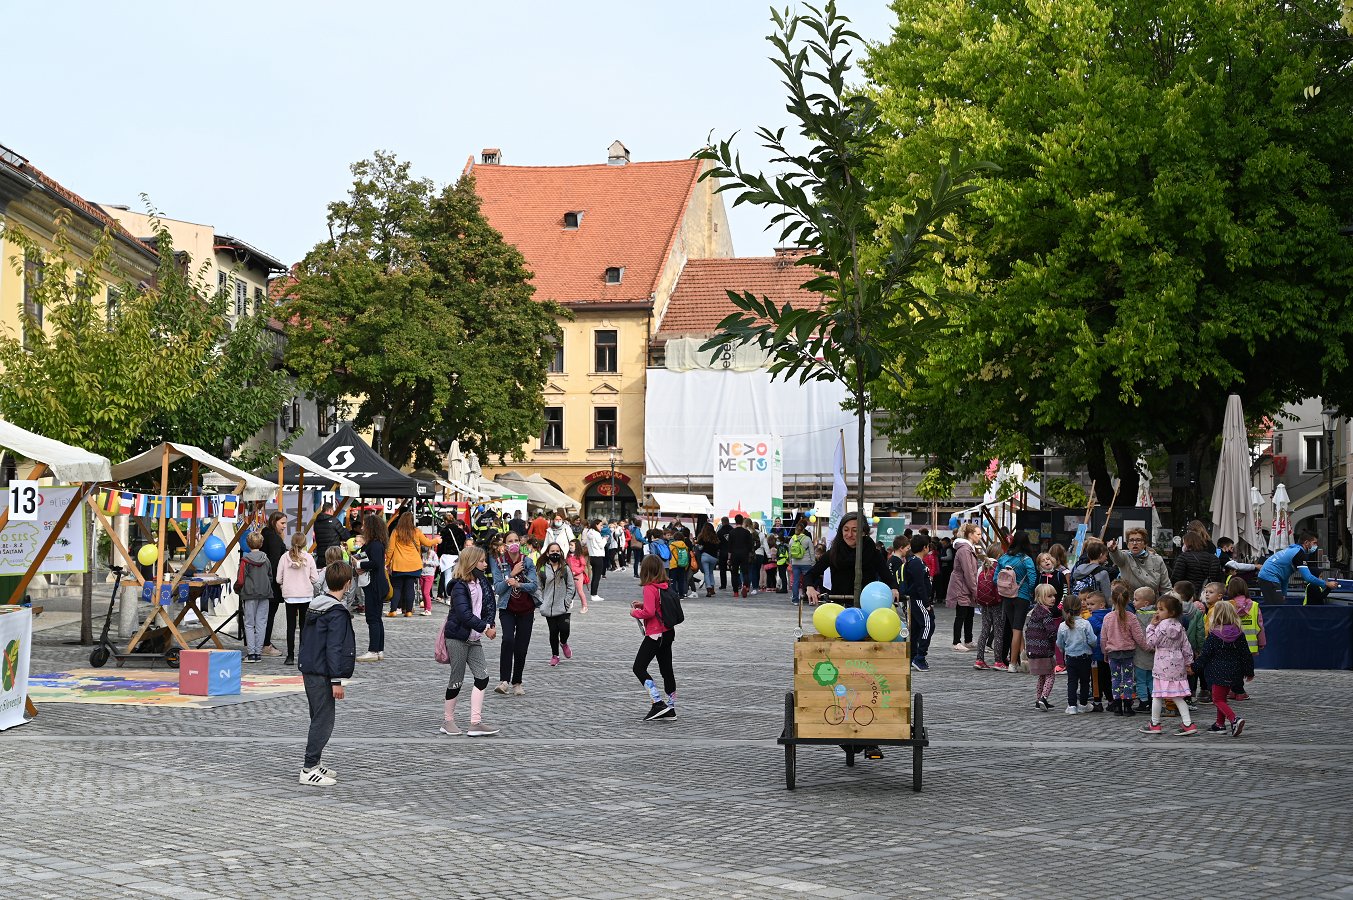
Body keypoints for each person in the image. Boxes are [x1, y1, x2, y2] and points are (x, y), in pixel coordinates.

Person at [297, 561, 357, 786]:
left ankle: (315, 762)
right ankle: (308, 767)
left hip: (310, 667)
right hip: (322, 672)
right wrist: (336, 681)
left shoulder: (315, 605)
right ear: (348, 583)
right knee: (323, 721)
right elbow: (334, 647)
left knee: (318, 717)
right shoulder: (337, 612)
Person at [440, 546, 500, 737]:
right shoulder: (459, 586)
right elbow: (464, 615)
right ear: (471, 563)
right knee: (456, 680)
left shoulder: (480, 583)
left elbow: (486, 606)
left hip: (474, 638)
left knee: (482, 677)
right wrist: (485, 628)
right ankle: (447, 721)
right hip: (457, 637)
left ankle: (475, 722)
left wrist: (489, 622)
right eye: (481, 561)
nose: (484, 564)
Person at [803, 517, 900, 607]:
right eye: (846, 530)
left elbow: (888, 577)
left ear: (863, 532)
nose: (849, 535)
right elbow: (810, 574)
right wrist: (810, 587)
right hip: (839, 608)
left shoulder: (873, 553)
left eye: (855, 530)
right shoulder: (834, 552)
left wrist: (893, 588)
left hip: (866, 607)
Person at [1190, 599, 1253, 736]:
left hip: (1218, 672)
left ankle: (1234, 719)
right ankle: (1219, 724)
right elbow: (1246, 654)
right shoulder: (1239, 634)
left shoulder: (1214, 636)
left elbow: (1205, 656)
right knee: (1221, 698)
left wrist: (1193, 668)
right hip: (1235, 672)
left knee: (1217, 699)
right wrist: (1249, 671)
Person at [490, 531, 540, 696]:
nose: (513, 543)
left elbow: (533, 585)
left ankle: (517, 682)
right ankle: (504, 681)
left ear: (521, 543)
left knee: (521, 648)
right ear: (505, 545)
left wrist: (518, 584)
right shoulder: (498, 562)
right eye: (510, 541)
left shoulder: (528, 562)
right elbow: (497, 588)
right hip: (507, 608)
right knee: (508, 640)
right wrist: (510, 575)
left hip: (526, 609)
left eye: (516, 540)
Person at [1141, 593, 1197, 735]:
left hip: (1162, 665)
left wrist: (1150, 627)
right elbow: (1187, 647)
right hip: (1177, 664)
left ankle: (1154, 723)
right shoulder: (1179, 626)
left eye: (1160, 609)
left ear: (1171, 612)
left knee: (1157, 695)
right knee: (1177, 696)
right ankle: (1188, 723)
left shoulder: (1161, 626)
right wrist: (1189, 663)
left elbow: (1152, 642)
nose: (1157, 612)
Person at [632, 555, 677, 721]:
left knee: (638, 667)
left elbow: (649, 613)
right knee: (666, 669)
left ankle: (657, 702)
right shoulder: (664, 585)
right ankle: (671, 707)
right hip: (668, 632)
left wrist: (635, 612)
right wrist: (643, 605)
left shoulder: (649, 587)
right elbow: (658, 606)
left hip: (655, 635)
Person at [1101, 586, 1148, 717]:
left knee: (1115, 679)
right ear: (1128, 600)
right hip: (1128, 652)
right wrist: (1148, 648)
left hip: (1113, 653)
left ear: (1112, 600)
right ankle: (1128, 705)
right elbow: (1138, 637)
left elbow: (1103, 638)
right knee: (1128, 679)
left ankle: (1117, 706)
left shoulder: (1108, 617)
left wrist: (1104, 652)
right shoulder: (1132, 617)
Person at [994, 531, 1038, 672]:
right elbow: (1032, 579)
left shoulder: (1004, 558)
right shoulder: (1026, 560)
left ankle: (1023, 658)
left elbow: (996, 579)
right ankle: (1013, 663)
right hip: (1022, 596)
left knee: (1014, 627)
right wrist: (1029, 591)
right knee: (1017, 629)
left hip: (1006, 596)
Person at [1256, 530, 1337, 605]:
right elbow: (1308, 578)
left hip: (1266, 577)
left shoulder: (1293, 549)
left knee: (1278, 606)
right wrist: (1327, 583)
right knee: (1278, 608)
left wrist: (1284, 594)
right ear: (1306, 542)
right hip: (1269, 577)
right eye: (1314, 543)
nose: (1316, 546)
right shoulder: (1299, 553)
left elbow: (1285, 577)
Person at [277, 532, 320, 666]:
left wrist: (285, 583)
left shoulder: (284, 557)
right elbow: (315, 579)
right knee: (304, 627)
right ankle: (303, 654)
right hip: (305, 595)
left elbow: (278, 578)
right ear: (304, 544)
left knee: (290, 626)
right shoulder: (308, 558)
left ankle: (290, 656)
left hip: (290, 595)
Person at [386, 511, 438, 618]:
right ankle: (409, 611)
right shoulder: (417, 531)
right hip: (414, 565)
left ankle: (393, 610)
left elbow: (390, 549)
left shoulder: (396, 532)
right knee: (410, 588)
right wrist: (436, 540)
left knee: (397, 588)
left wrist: (386, 563)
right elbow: (427, 543)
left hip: (399, 565)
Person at [1055, 594, 1097, 714]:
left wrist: (1064, 650)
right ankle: (1083, 704)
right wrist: (1092, 646)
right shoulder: (1085, 624)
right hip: (1085, 656)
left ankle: (1072, 705)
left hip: (1070, 657)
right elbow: (1093, 640)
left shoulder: (1062, 626)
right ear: (1080, 608)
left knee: (1072, 682)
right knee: (1085, 681)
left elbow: (1059, 643)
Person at [537, 541, 575, 666]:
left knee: (564, 629)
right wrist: (541, 602)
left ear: (560, 553)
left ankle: (563, 642)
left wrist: (567, 601)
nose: (555, 553)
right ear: (547, 553)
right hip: (548, 607)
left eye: (557, 551)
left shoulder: (565, 568)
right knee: (553, 631)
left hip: (563, 606)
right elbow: (538, 588)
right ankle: (555, 655)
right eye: (552, 551)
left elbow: (571, 586)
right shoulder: (542, 570)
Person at [238, 531, 273, 663]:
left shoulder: (245, 561)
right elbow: (270, 576)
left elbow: (241, 580)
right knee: (261, 623)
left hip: (249, 593)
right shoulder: (266, 559)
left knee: (249, 623)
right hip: (264, 593)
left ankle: (251, 653)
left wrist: (238, 589)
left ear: (247, 544)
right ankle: (258, 653)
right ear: (262, 543)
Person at [1025, 584, 1062, 710]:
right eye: (1049, 596)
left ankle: (1038, 700)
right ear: (1041, 597)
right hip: (1044, 650)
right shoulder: (1046, 614)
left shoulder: (1035, 612)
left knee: (1042, 675)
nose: (1053, 599)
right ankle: (1043, 698)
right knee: (1051, 674)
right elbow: (1051, 632)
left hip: (1033, 649)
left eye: (1054, 596)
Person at [900, 534, 934, 671]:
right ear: (925, 547)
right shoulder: (916, 563)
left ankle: (913, 656)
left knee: (915, 629)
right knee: (928, 625)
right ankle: (920, 657)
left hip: (916, 600)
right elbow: (919, 585)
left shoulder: (916, 561)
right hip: (918, 600)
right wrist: (926, 603)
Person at [1227, 577, 1263, 698]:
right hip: (1250, 644)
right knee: (1242, 667)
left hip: (1232, 643)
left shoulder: (1227, 606)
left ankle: (1236, 690)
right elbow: (1260, 625)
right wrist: (1261, 642)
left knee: (1233, 666)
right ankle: (1239, 690)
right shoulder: (1255, 605)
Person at [1107, 528, 1172, 595]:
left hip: (1152, 602)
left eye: (1138, 540)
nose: (1135, 543)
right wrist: (1113, 551)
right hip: (1130, 602)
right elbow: (1117, 557)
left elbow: (1166, 586)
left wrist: (1167, 602)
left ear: (1145, 544)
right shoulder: (1125, 557)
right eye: (1131, 540)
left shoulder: (1157, 559)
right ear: (1127, 544)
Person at [948, 522, 981, 650]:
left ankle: (968, 639)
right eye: (978, 534)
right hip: (961, 586)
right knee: (961, 614)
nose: (980, 536)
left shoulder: (969, 548)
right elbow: (968, 572)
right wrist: (975, 590)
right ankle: (956, 642)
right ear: (970, 535)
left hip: (967, 586)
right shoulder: (964, 550)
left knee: (969, 614)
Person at [260, 511, 288, 657]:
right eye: (282, 523)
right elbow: (276, 564)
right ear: (273, 522)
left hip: (263, 582)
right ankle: (265, 644)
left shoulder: (265, 535)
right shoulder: (274, 540)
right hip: (272, 584)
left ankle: (263, 642)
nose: (284, 526)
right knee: (269, 614)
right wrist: (281, 582)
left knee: (263, 615)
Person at [1170, 530, 1223, 599]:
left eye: (1184, 543)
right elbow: (1218, 579)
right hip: (1209, 596)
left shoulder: (1183, 557)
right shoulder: (1214, 558)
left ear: (1187, 544)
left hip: (1189, 595)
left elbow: (1176, 579)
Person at [726, 515, 756, 598]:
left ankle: (735, 592)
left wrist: (729, 558)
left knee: (734, 573)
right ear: (742, 521)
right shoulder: (747, 532)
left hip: (734, 555)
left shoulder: (732, 532)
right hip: (744, 554)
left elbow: (729, 547)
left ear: (735, 521)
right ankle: (745, 586)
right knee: (745, 572)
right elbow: (750, 545)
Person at [787, 520, 816, 605]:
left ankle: (795, 600)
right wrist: (813, 562)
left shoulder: (792, 539)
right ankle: (810, 599)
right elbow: (812, 552)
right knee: (808, 581)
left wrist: (791, 561)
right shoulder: (807, 539)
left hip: (795, 563)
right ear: (803, 530)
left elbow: (789, 552)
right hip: (807, 563)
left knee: (796, 582)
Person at [581, 519, 608, 604]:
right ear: (596, 525)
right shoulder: (596, 534)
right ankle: (594, 594)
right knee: (597, 576)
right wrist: (605, 539)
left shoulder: (589, 532)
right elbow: (601, 545)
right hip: (598, 556)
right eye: (600, 525)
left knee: (595, 576)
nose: (601, 527)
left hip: (592, 556)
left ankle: (594, 594)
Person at [696, 523, 721, 598]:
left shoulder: (702, 537)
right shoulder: (715, 537)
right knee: (711, 572)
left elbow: (700, 548)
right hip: (714, 557)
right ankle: (712, 587)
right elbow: (718, 547)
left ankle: (709, 589)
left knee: (706, 573)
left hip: (705, 556)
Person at [667, 528, 693, 599]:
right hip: (682, 565)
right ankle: (681, 595)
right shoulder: (685, 546)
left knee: (673, 581)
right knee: (681, 581)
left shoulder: (671, 546)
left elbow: (669, 555)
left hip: (674, 565)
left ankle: (674, 595)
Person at [716, 516, 734, 590]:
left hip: (722, 552)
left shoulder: (719, 532)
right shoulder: (732, 531)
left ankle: (723, 585)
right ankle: (736, 584)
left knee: (722, 570)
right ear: (728, 521)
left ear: (722, 522)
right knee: (733, 569)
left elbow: (718, 543)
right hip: (732, 552)